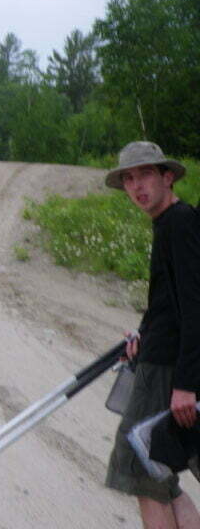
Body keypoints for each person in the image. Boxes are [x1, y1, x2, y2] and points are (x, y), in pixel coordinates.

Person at [104, 141, 200, 528]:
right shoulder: (171, 224)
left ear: (167, 177)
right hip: (163, 359)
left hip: (167, 372)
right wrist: (144, 333)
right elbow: (171, 304)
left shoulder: (178, 225)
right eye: (129, 178)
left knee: (142, 470)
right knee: (160, 476)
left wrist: (186, 385)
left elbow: (196, 308)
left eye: (145, 174)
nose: (137, 186)